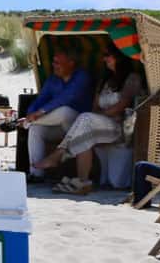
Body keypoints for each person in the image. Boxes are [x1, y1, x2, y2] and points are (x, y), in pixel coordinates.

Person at [34, 47, 143, 194]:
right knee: (86, 127)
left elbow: (121, 106)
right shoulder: (105, 80)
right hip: (101, 125)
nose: (104, 59)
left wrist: (99, 116)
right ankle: (82, 181)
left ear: (119, 57)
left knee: (86, 119)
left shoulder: (132, 78)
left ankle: (59, 154)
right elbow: (95, 106)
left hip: (119, 127)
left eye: (108, 55)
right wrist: (98, 117)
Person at [18, 50, 94, 181]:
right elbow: (39, 101)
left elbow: (65, 98)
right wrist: (31, 113)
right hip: (61, 127)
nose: (54, 65)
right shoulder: (53, 80)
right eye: (53, 62)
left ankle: (27, 123)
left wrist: (34, 117)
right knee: (36, 129)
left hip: (81, 126)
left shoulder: (82, 76)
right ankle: (36, 173)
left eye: (58, 62)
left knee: (64, 111)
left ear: (71, 63)